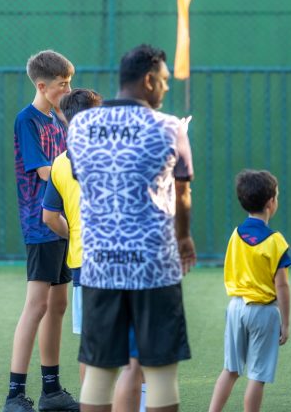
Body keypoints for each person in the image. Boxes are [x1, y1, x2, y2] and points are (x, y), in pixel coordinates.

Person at [66, 44, 196, 412]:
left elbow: (85, 178)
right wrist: (184, 238)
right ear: (149, 80)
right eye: (165, 81)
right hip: (154, 265)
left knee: (99, 372)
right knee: (160, 372)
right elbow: (183, 194)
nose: (167, 89)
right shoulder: (170, 127)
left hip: (100, 265)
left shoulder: (80, 126)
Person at [42, 89, 147, 412]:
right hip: (121, 263)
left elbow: (49, 217)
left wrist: (73, 232)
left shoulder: (60, 163)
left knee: (92, 348)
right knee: (133, 350)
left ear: (66, 119)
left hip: (82, 266)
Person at [5, 50, 79, 412]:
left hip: (64, 226)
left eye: (69, 83)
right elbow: (46, 172)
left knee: (58, 305)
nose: (68, 90)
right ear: (42, 85)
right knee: (36, 306)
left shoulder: (58, 121)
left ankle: (51, 391)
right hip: (41, 225)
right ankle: (15, 395)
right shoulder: (28, 120)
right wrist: (82, 176)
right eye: (63, 84)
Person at [208, 169, 291, 412]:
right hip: (263, 312)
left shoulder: (235, 235)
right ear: (270, 203)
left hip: (235, 307)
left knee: (230, 369)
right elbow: (282, 286)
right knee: (257, 375)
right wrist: (285, 323)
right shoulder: (276, 241)